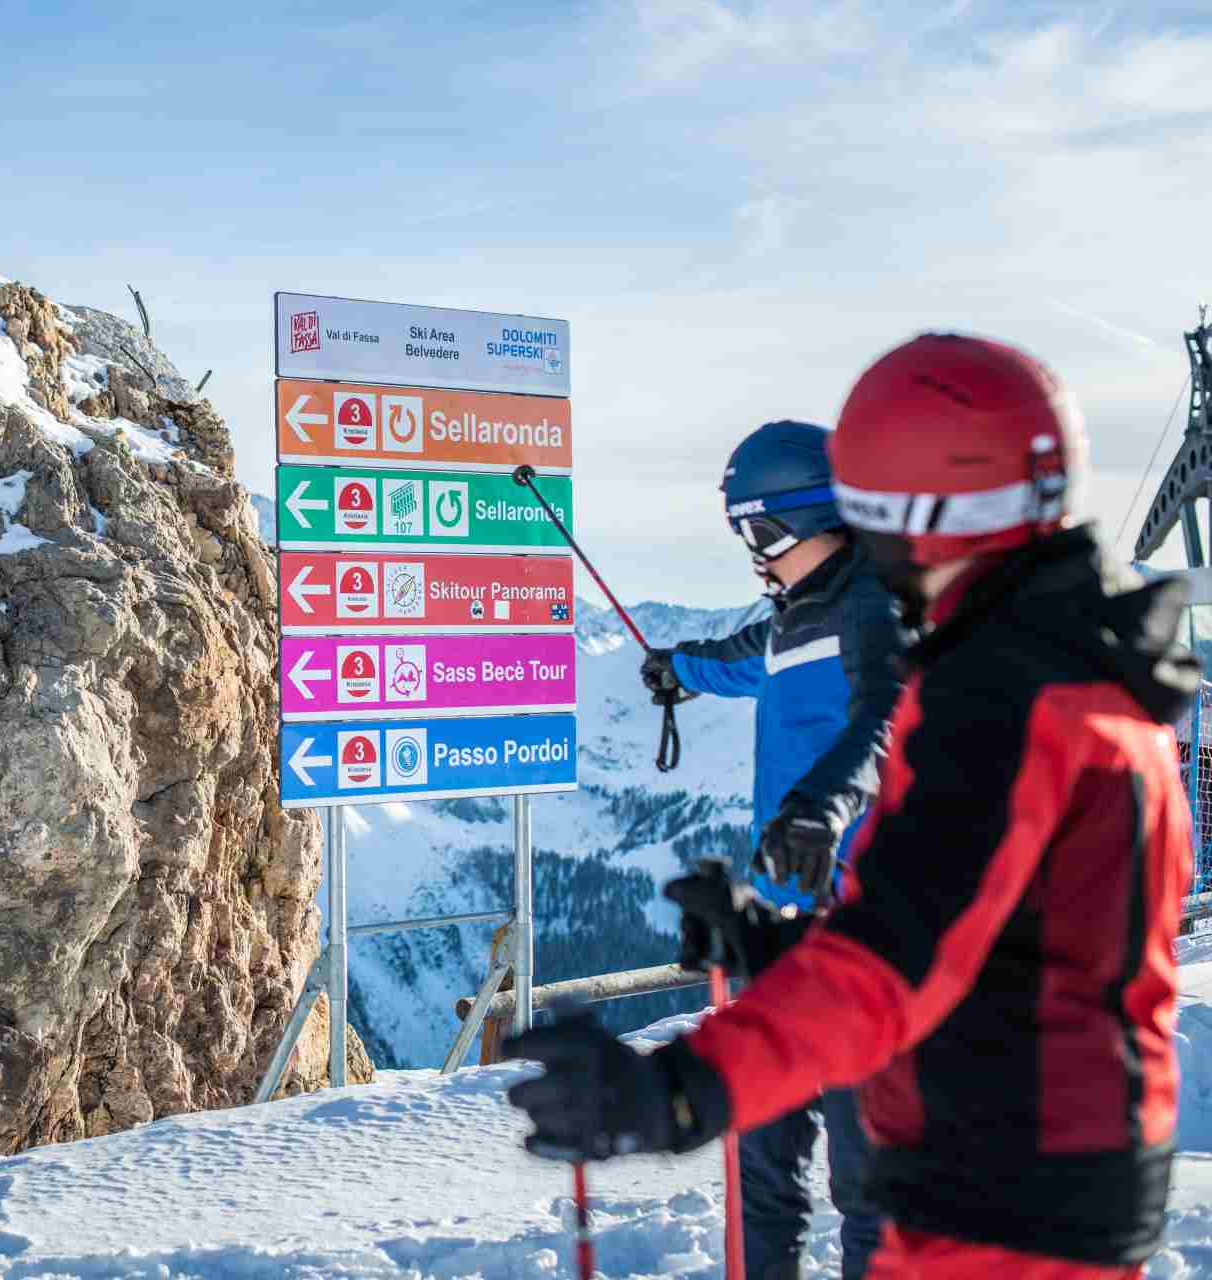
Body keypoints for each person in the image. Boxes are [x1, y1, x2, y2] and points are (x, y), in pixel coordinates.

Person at [509, 334, 1197, 1279]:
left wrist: (675, 1093)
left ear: (919, 514)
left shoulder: (1004, 705)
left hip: (997, 1216)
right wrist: (778, 951)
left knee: (835, 1174)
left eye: (870, 516)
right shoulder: (1089, 677)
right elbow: (1006, 943)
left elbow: (894, 965)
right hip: (1038, 1181)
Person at [639, 419, 905, 1280]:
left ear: (800, 518)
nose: (752, 555)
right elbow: (735, 660)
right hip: (781, 930)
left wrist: (821, 812)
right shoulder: (792, 618)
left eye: (756, 533)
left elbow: (885, 717)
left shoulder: (878, 607)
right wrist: (678, 667)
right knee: (762, 1163)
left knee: (867, 1178)